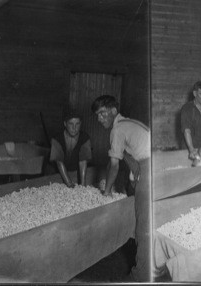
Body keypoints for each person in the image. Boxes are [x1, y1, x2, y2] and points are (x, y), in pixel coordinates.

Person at [91, 95, 150, 282]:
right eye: (97, 115)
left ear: (113, 111)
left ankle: (140, 277)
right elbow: (130, 156)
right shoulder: (130, 123)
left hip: (149, 169)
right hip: (152, 165)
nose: (100, 119)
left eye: (102, 113)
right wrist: (134, 177)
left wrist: (106, 192)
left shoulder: (117, 129)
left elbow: (114, 166)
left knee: (143, 227)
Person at [49, 107, 92, 187]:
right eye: (71, 124)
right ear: (65, 124)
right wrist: (69, 184)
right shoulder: (57, 139)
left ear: (81, 123)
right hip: (56, 172)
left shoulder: (85, 138)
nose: (74, 128)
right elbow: (59, 162)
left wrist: (83, 186)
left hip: (74, 171)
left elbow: (83, 161)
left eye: (77, 124)